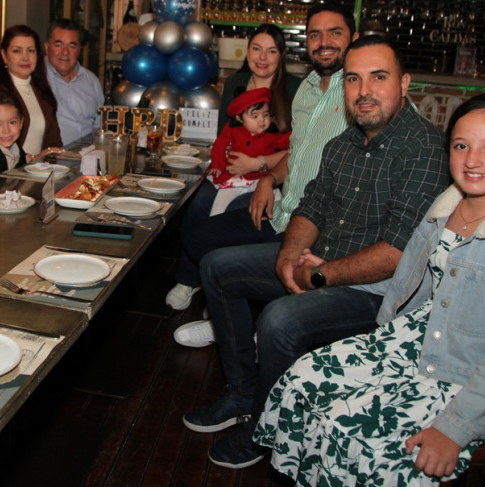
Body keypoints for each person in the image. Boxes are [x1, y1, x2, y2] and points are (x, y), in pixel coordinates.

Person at [256, 93, 485, 484]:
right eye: (461, 146)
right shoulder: (445, 208)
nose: (472, 160)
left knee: (351, 430)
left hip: (474, 376)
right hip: (414, 340)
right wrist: (328, 270)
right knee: (302, 382)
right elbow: (411, 282)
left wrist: (454, 429)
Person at [184, 34, 451, 469]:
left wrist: (321, 276)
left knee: (279, 321)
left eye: (377, 78)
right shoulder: (342, 144)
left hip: (379, 292)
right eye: (353, 79)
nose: (363, 91)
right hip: (318, 263)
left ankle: (264, 432)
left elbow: (398, 253)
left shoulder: (424, 149)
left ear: (404, 85)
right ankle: (244, 395)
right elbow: (310, 207)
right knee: (216, 267)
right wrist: (290, 256)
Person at [166, 6, 355, 319]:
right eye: (256, 48)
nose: (263, 57)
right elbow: (224, 136)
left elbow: (292, 147)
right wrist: (224, 165)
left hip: (270, 179)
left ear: (281, 55)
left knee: (237, 212)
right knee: (198, 204)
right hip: (237, 172)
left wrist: (261, 167)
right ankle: (194, 279)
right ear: (247, 51)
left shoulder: (297, 89)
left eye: (271, 51)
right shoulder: (236, 83)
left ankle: (222, 290)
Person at [0, 25, 64, 161]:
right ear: (4, 56)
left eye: (31, 51)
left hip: (40, 173)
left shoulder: (41, 89)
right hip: (4, 176)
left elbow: (53, 143)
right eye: (17, 51)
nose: (25, 57)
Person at [203, 87, 289, 216]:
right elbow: (219, 146)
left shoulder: (272, 133)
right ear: (239, 118)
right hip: (234, 178)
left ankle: (280, 224)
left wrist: (299, 133)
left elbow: (288, 141)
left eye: (265, 115)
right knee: (218, 207)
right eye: (255, 116)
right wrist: (218, 165)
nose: (262, 120)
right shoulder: (233, 130)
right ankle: (212, 228)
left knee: (276, 200)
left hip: (261, 179)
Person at [44, 18, 105, 146]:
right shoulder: (35, 78)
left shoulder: (91, 80)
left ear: (79, 50)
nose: (65, 52)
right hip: (50, 161)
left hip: (88, 158)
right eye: (58, 45)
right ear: (47, 47)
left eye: (72, 46)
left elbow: (100, 125)